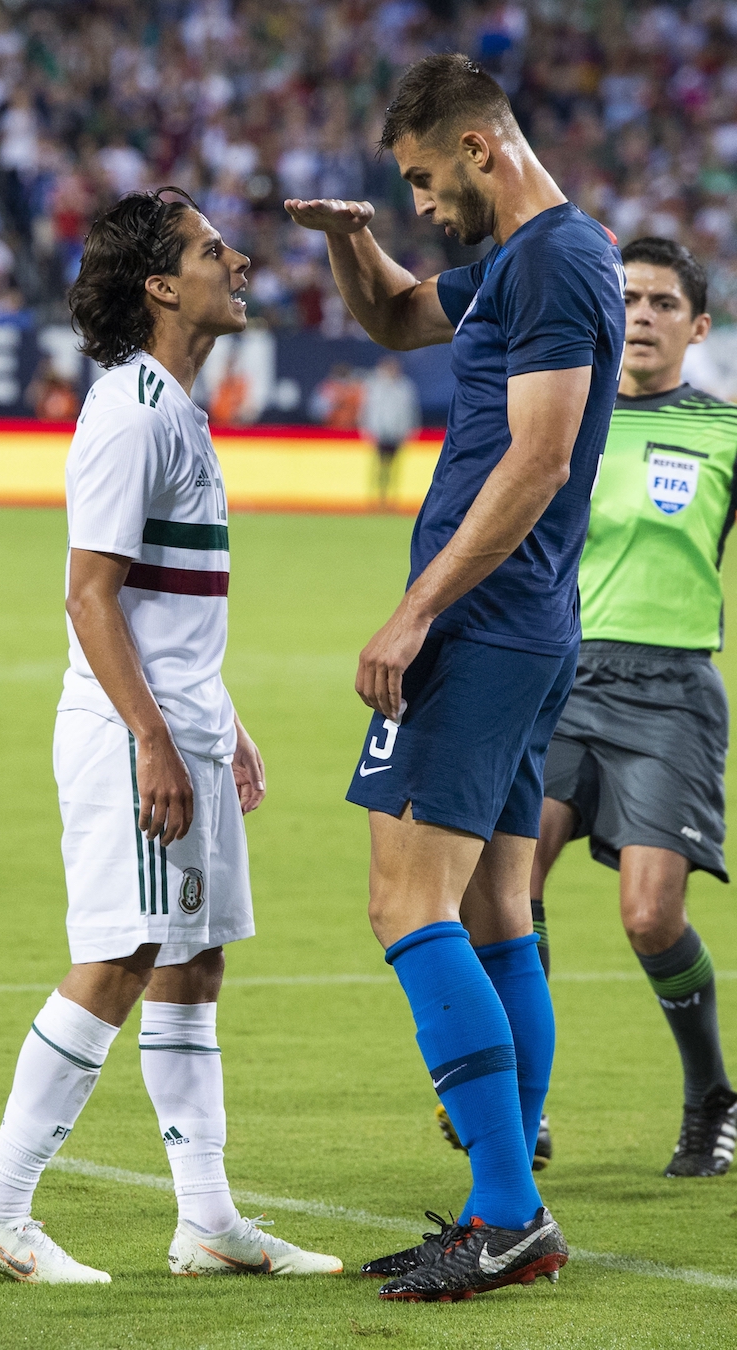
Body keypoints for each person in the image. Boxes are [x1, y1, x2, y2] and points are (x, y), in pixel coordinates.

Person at [0, 189, 342, 1284]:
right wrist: (158, 744)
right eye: (216, 250)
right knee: (120, 955)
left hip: (184, 726)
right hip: (134, 736)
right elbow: (89, 598)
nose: (242, 260)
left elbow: (168, 605)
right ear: (162, 285)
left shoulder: (177, 406)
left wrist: (224, 723)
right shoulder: (129, 409)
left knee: (192, 963)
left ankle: (207, 1223)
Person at [286, 52, 625, 1302]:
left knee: (403, 904)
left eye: (426, 181)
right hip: (524, 624)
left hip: (481, 624)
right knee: (494, 914)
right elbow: (397, 316)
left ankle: (506, 1211)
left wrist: (414, 613)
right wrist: (348, 243)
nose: (423, 206)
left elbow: (535, 460)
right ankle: (512, 1188)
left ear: (481, 149)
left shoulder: (555, 260)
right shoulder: (517, 263)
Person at [530, 237, 737, 1177]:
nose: (644, 314)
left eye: (663, 302)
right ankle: (519, 1104)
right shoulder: (565, 418)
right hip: (562, 683)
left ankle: (711, 1097)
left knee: (650, 918)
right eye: (630, 300)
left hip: (671, 695)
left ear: (698, 326)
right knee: (503, 883)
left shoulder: (726, 433)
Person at [360, 356, 421, 509]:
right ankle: (375, 499)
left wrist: (410, 430)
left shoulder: (405, 386)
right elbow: (368, 410)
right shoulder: (375, 385)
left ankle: (391, 500)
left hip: (397, 433)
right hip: (380, 433)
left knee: (394, 469)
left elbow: (411, 411)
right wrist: (368, 430)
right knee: (378, 467)